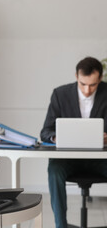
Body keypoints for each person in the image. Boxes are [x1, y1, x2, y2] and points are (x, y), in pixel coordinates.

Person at [40, 56, 107, 228]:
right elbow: (45, 132)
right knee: (54, 169)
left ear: (100, 78)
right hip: (68, 160)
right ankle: (60, 225)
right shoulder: (60, 94)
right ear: (76, 76)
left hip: (101, 160)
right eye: (83, 84)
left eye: (92, 85)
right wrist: (57, 137)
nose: (86, 90)